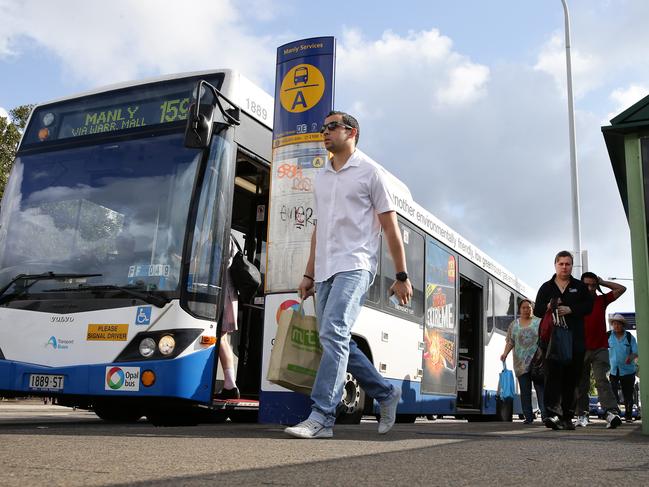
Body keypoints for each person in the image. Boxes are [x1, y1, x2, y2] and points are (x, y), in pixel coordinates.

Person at [284, 111, 413, 439]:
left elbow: (389, 227)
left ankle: (322, 416)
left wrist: (401, 274)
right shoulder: (322, 176)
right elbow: (318, 229)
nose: (323, 133)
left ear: (351, 131)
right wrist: (308, 275)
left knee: (334, 332)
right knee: (334, 338)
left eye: (330, 127)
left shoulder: (371, 173)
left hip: (356, 265)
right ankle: (385, 393)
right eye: (322, 128)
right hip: (325, 269)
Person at [533, 251, 593, 430]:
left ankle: (567, 417)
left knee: (571, 379)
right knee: (552, 377)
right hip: (552, 341)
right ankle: (552, 415)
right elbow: (537, 310)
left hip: (575, 340)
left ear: (571, 266)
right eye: (561, 264)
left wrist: (571, 309)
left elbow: (589, 307)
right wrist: (549, 307)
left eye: (568, 264)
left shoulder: (579, 287)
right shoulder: (546, 287)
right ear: (555, 265)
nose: (564, 267)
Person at [574, 273, 625, 429]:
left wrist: (603, 282)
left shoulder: (601, 300)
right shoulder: (576, 302)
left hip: (599, 348)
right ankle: (582, 414)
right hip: (581, 348)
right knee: (581, 383)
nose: (590, 288)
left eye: (593, 285)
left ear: (597, 286)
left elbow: (622, 288)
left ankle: (610, 412)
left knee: (601, 380)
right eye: (586, 285)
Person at [500, 299, 545, 424]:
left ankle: (545, 416)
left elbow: (545, 339)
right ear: (520, 310)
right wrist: (505, 354)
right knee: (525, 392)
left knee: (541, 389)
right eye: (524, 307)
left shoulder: (539, 322)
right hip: (520, 364)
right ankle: (528, 417)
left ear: (532, 308)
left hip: (537, 363)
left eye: (529, 307)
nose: (527, 309)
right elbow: (510, 341)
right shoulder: (514, 325)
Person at [216, 234, 240, 399]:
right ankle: (230, 384)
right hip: (222, 292)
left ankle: (231, 385)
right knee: (220, 338)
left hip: (223, 293)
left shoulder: (223, 234)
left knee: (220, 338)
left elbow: (223, 263)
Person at [608, 313, 638, 422]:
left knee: (628, 394)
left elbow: (635, 352)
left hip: (628, 371)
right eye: (614, 324)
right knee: (612, 393)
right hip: (613, 370)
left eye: (618, 324)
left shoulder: (629, 337)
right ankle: (615, 413)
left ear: (622, 325)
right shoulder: (608, 336)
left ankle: (629, 415)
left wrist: (630, 357)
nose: (616, 326)